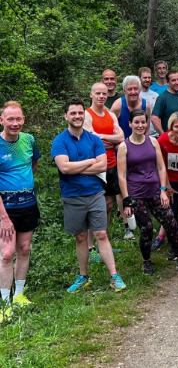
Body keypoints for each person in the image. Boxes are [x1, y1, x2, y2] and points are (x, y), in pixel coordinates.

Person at [51, 98, 126, 293]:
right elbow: (64, 167)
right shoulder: (59, 140)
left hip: (95, 193)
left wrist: (76, 167)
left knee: (101, 233)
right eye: (73, 113)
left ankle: (114, 276)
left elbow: (102, 165)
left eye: (80, 113)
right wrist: (89, 162)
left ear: (84, 115)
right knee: (81, 237)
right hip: (72, 195)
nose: (77, 116)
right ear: (66, 116)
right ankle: (83, 276)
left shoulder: (93, 139)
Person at [117, 109, 178, 275]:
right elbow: (122, 175)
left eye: (143, 122)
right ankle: (146, 261)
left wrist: (163, 190)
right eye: (137, 122)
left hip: (155, 190)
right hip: (136, 193)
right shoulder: (123, 147)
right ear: (130, 124)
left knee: (171, 221)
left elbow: (161, 167)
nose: (140, 125)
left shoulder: (153, 141)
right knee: (147, 228)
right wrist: (127, 200)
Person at [0, 101, 40, 311]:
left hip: (28, 204)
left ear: (23, 119)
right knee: (7, 253)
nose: (15, 123)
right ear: (2, 120)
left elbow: (34, 164)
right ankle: (5, 304)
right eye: (10, 119)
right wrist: (4, 218)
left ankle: (19, 295)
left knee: (24, 249)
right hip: (4, 209)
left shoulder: (29, 140)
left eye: (18, 119)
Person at [84, 82, 131, 243]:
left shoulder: (110, 114)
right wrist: (107, 139)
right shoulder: (87, 115)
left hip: (111, 164)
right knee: (95, 206)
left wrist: (101, 137)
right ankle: (90, 245)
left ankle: (103, 240)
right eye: (98, 93)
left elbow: (121, 136)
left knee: (109, 204)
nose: (101, 96)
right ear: (91, 94)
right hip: (95, 166)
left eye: (104, 94)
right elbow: (90, 139)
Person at [151, 70, 178, 134]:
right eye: (173, 80)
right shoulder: (162, 98)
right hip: (171, 137)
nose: (177, 82)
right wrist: (163, 135)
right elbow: (154, 118)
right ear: (168, 82)